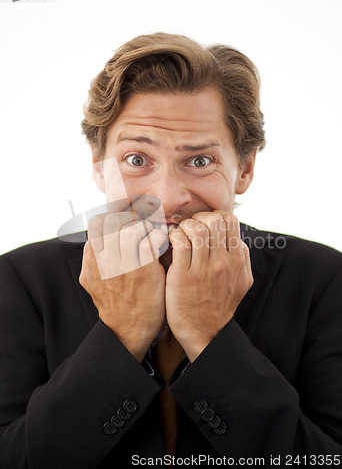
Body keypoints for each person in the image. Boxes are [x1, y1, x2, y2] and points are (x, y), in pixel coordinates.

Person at [0, 33, 341, 469]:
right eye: (137, 160)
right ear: (99, 167)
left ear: (245, 169)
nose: (167, 197)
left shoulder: (323, 278)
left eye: (199, 161)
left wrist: (209, 335)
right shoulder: (21, 279)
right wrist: (121, 333)